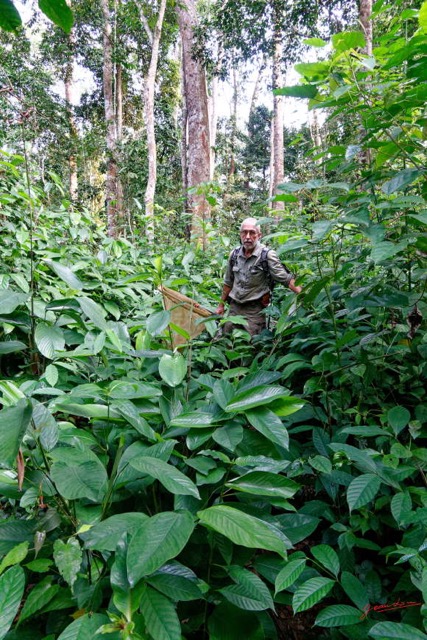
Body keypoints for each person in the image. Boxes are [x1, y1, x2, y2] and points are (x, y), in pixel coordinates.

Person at [215, 218, 302, 336]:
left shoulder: (266, 255)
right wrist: (221, 306)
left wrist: (303, 295)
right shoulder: (234, 254)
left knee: (253, 345)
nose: (247, 236)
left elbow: (285, 279)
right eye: (244, 232)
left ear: (259, 235)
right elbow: (228, 282)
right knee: (228, 341)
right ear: (240, 234)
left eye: (252, 233)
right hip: (234, 308)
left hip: (254, 310)